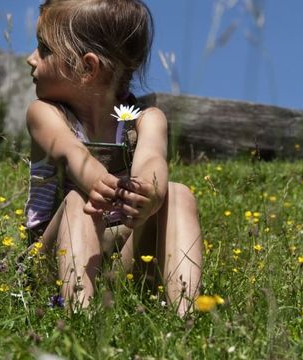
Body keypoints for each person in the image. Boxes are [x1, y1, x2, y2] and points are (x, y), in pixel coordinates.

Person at [23, 0, 202, 316]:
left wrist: (150, 191)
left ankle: (185, 319)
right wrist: (96, 180)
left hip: (120, 262)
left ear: (86, 67)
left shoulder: (145, 119)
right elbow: (69, 150)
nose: (31, 59)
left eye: (43, 49)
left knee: (178, 193)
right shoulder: (45, 114)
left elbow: (151, 160)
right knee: (79, 200)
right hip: (50, 263)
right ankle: (79, 321)